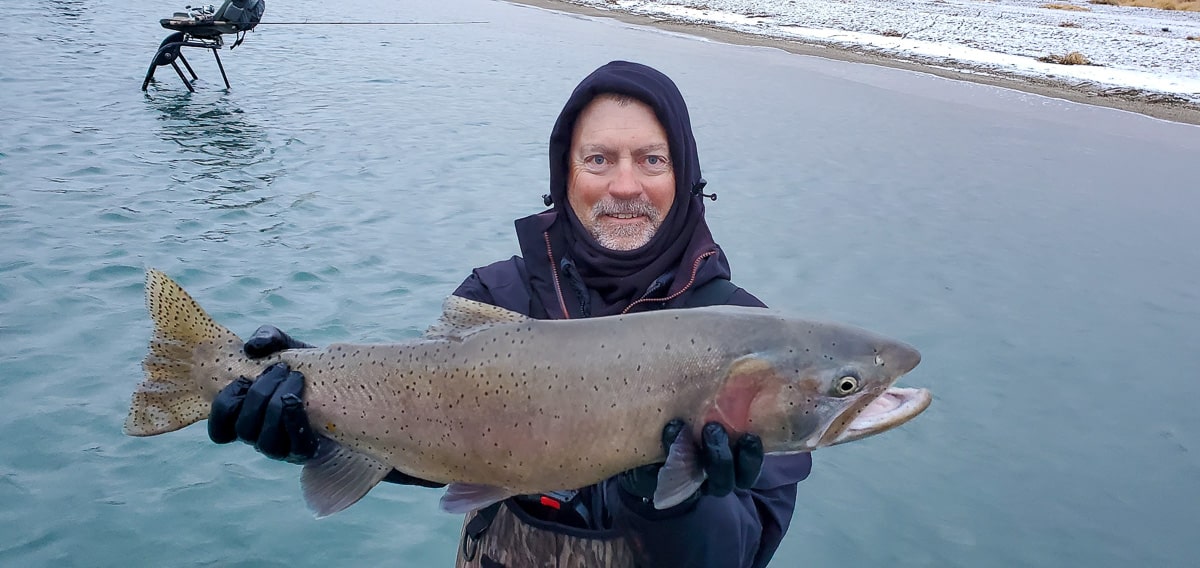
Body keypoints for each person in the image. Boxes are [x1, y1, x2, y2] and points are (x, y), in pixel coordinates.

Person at [208, 60, 813, 568]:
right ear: (564, 174)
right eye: (598, 159)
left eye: (651, 160)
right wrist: (309, 424)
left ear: (685, 176)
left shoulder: (751, 344)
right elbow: (428, 447)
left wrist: (679, 495)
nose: (624, 185)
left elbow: (742, 553)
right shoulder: (497, 295)